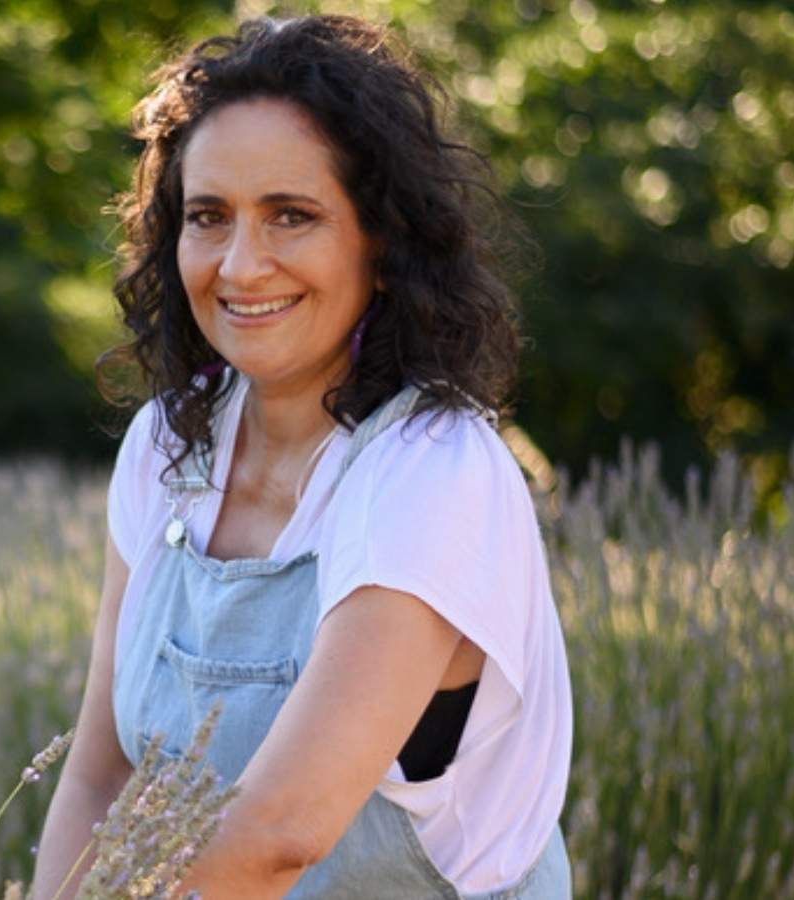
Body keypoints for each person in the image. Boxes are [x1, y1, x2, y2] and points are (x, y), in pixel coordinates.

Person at [30, 15, 572, 900]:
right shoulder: (167, 449)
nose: (242, 266)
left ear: (383, 243)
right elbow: (101, 780)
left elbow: (279, 834)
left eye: (292, 215)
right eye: (209, 217)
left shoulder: (433, 471)